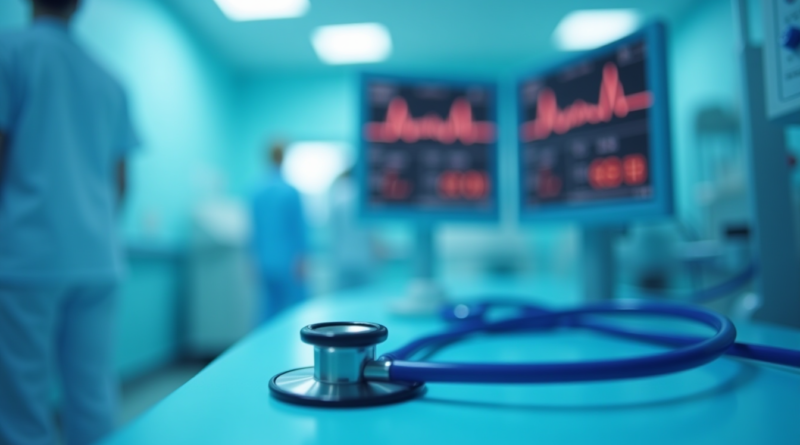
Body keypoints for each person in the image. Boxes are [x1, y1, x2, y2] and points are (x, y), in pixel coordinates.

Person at [0, 1, 138, 444]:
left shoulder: (11, 52)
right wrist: (90, 225)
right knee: (93, 399)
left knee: (21, 407)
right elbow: (120, 181)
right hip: (98, 259)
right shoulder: (109, 79)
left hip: (27, 257)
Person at [250, 141, 308, 321]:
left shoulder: (256, 192)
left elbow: (253, 232)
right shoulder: (290, 192)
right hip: (289, 263)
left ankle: (263, 349)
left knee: (267, 312)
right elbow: (299, 230)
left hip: (265, 261)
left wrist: (252, 260)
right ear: (284, 157)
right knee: (295, 313)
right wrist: (303, 259)